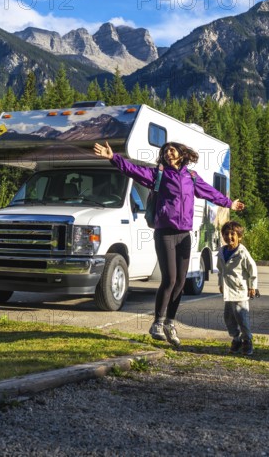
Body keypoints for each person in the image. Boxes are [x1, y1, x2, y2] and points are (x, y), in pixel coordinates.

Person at [93, 140, 245, 348]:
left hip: (184, 234)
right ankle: (157, 323)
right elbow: (134, 171)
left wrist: (230, 203)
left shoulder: (191, 177)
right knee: (170, 279)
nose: (167, 153)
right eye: (165, 151)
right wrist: (113, 158)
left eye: (171, 150)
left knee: (181, 282)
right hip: (164, 232)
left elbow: (210, 192)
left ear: (181, 154)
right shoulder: (159, 175)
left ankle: (170, 323)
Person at [217, 221, 258, 356]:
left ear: (239, 236)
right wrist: (221, 284)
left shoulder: (242, 252)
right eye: (226, 234)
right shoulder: (222, 252)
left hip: (240, 290)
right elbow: (220, 270)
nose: (229, 237)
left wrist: (252, 286)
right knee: (228, 317)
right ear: (222, 236)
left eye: (233, 234)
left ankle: (247, 340)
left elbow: (252, 270)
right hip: (228, 291)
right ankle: (236, 339)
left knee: (241, 317)